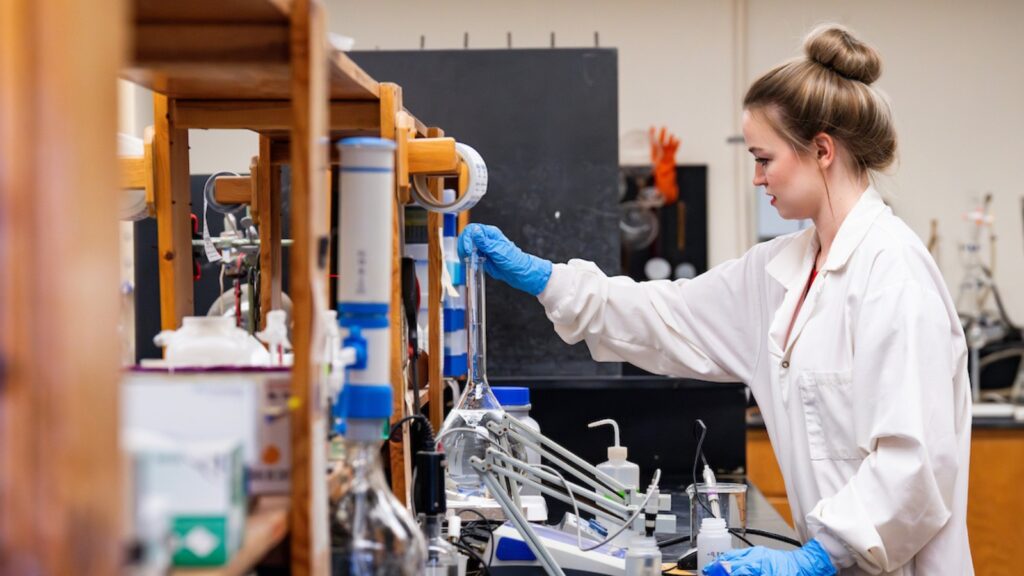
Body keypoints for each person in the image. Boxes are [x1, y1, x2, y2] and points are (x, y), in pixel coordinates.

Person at [458, 23, 972, 576]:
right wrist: (546, 280)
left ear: (822, 150)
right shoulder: (780, 271)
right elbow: (668, 317)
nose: (756, 177)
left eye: (764, 158)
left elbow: (914, 464)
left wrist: (818, 557)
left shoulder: (892, 271)